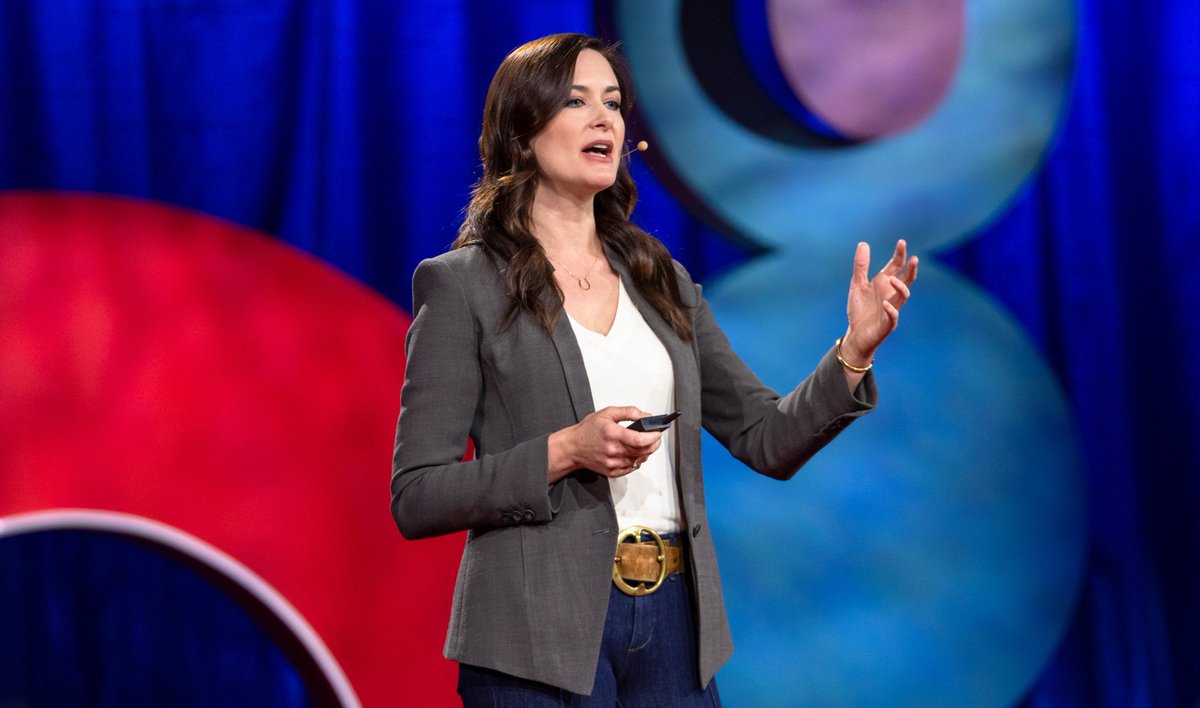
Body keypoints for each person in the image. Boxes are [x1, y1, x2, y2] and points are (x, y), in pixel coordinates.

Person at [391, 33, 917, 706]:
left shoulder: (658, 277)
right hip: (535, 633)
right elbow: (418, 496)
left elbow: (767, 437)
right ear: (521, 131)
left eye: (612, 102)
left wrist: (855, 350)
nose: (604, 118)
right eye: (576, 101)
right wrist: (562, 451)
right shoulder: (461, 285)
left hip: (674, 626)